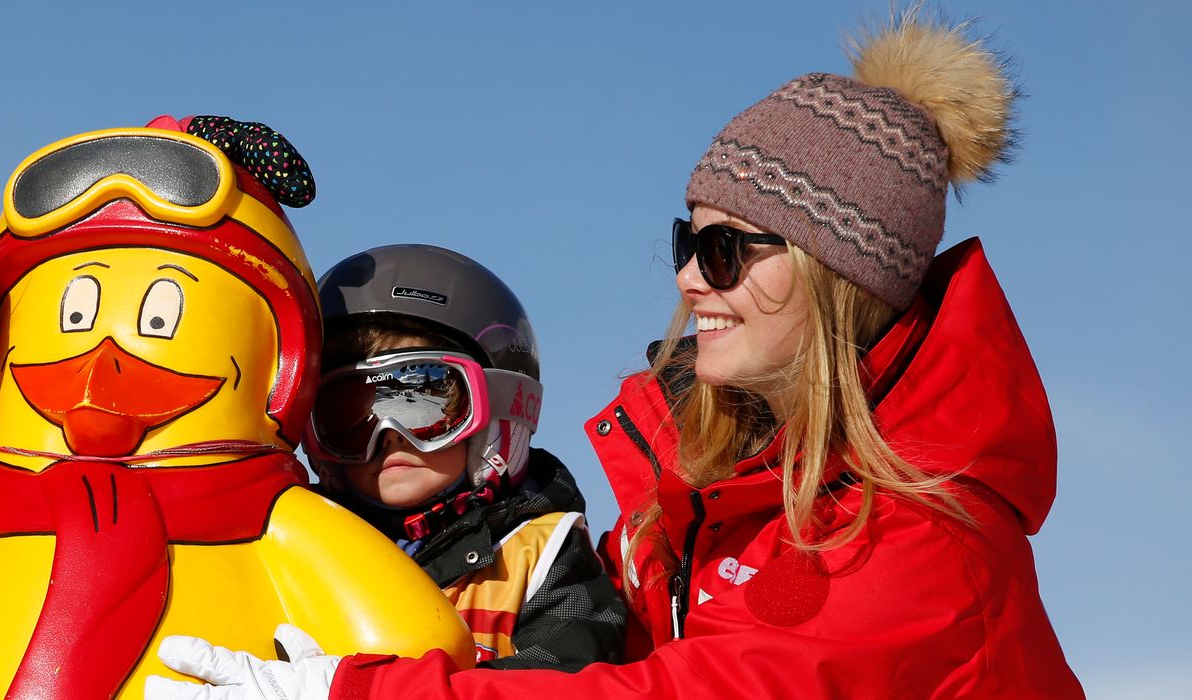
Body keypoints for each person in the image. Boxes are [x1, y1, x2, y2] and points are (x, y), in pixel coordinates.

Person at [149, 10, 1084, 698]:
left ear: (838, 276)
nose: (686, 282)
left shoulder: (930, 541)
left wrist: (359, 693)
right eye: (688, 244)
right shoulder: (702, 507)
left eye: (725, 252)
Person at [305, 245, 626, 670]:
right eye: (350, 414)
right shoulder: (307, 546)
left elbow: (569, 679)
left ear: (496, 410)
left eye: (420, 403)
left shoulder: (541, 557)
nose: (387, 437)